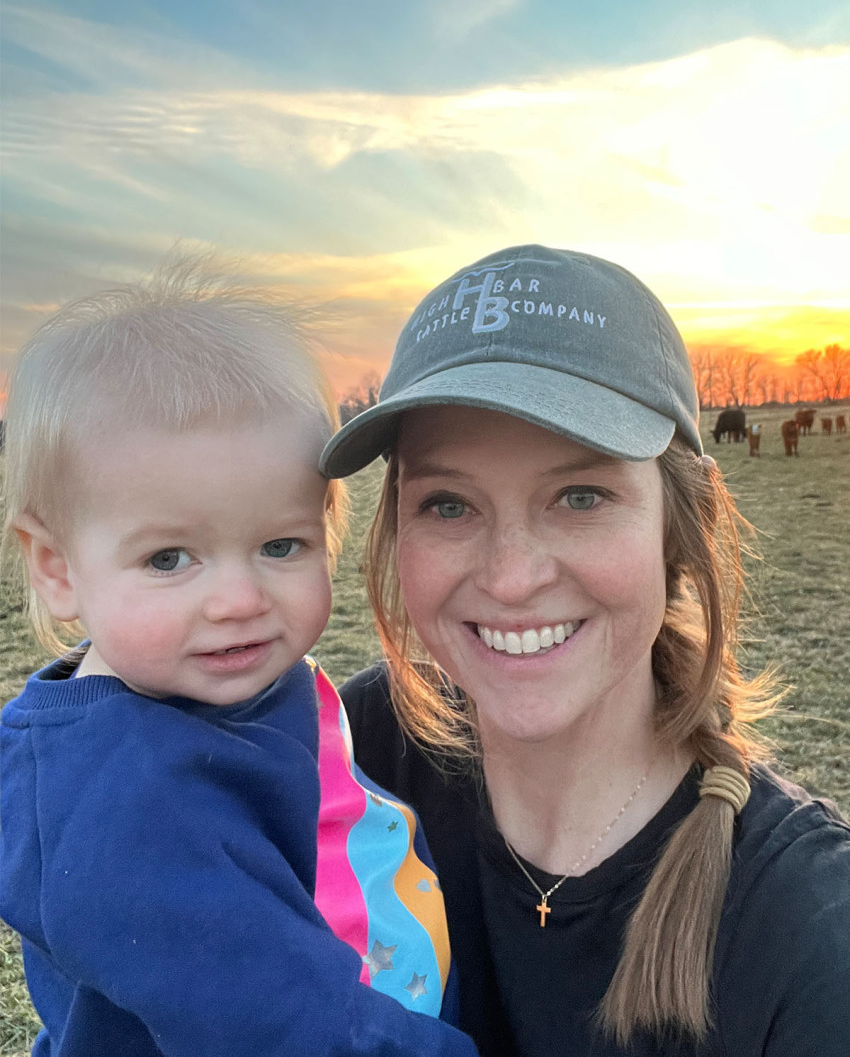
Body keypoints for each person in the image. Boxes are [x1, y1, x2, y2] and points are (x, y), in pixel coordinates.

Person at [321, 243, 850, 1057]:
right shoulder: (346, 755)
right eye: (449, 504)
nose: (510, 577)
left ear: (687, 523)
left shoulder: (808, 932)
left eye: (581, 496)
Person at [0, 258, 478, 1057]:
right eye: (168, 559)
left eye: (279, 544)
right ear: (57, 569)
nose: (237, 598)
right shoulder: (129, 805)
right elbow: (286, 1027)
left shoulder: (216, 684)